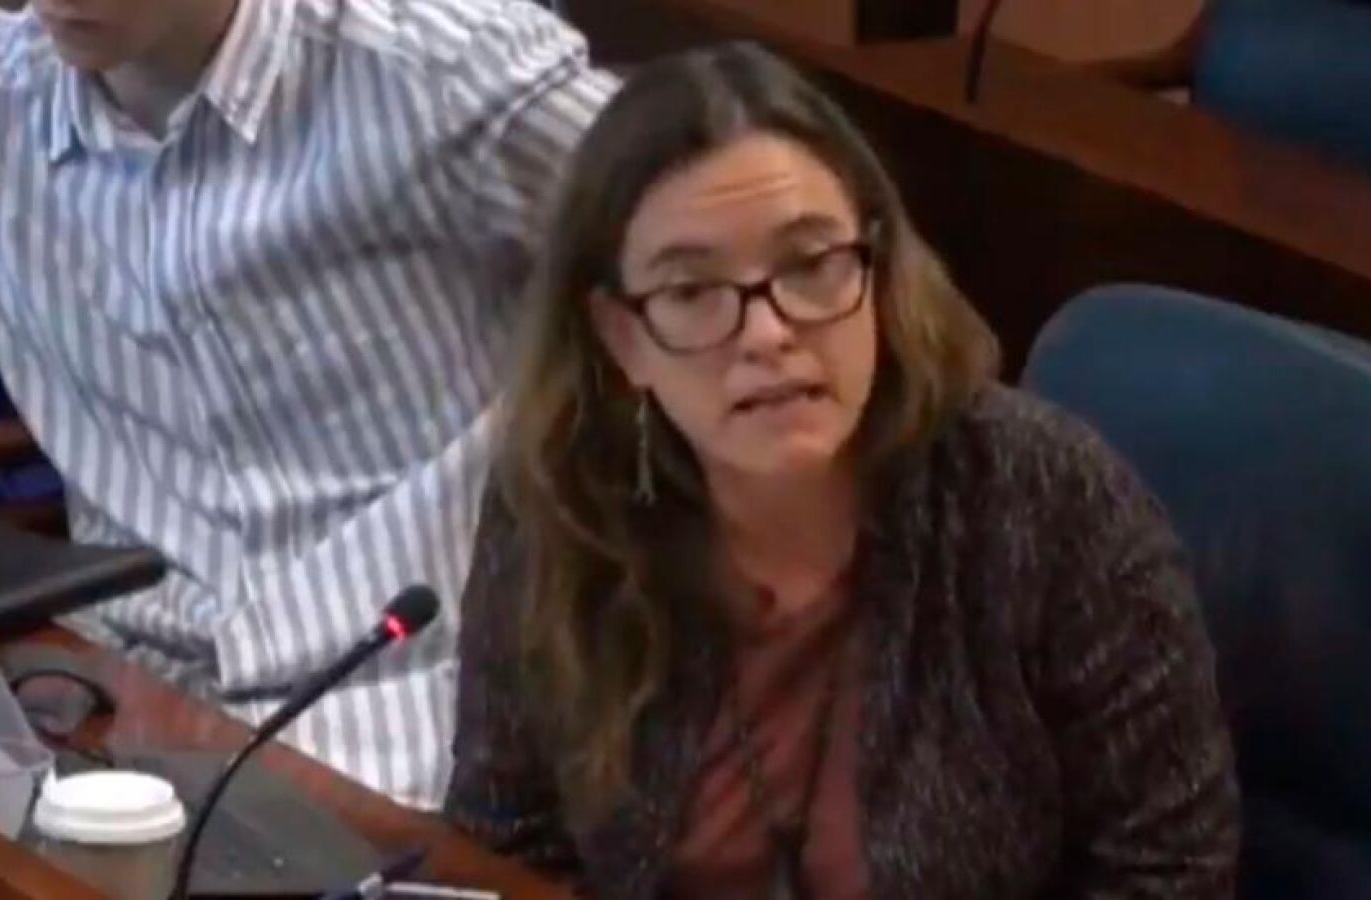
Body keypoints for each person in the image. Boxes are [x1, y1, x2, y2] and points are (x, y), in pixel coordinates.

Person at [447, 41, 1240, 898]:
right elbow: (506, 845)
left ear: (879, 268)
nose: (767, 333)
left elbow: (1173, 875)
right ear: (621, 336)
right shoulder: (561, 504)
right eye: (692, 291)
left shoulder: (1050, 501)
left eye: (810, 264)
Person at [0, 0, 616, 808]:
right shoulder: (0, 102)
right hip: (116, 691)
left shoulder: (442, 71)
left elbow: (715, 249)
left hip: (410, 705)